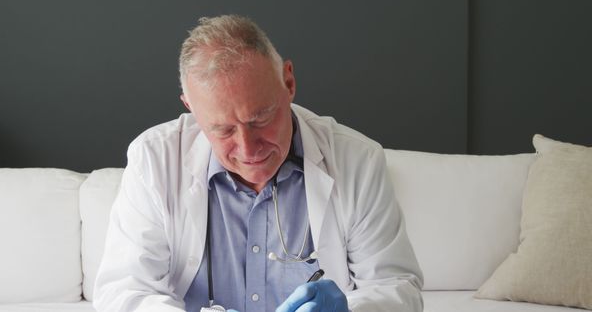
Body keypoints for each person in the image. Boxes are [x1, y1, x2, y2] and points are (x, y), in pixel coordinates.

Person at [93, 15, 423, 312]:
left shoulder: (358, 160)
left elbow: (398, 289)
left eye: (261, 118)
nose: (248, 148)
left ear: (289, 83)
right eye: (222, 130)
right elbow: (124, 291)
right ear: (191, 108)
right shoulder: (153, 159)